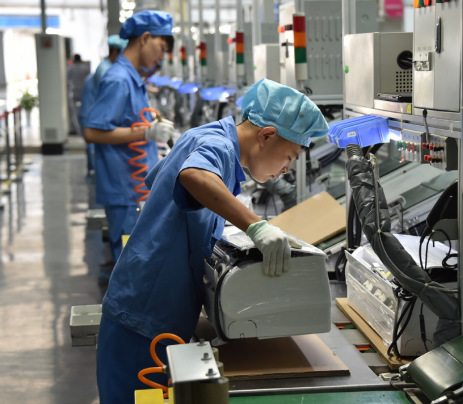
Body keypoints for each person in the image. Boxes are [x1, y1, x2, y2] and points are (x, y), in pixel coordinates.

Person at [95, 78, 329, 402]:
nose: (285, 170)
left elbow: (162, 179)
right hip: (142, 323)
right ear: (267, 135)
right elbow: (192, 176)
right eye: (289, 157)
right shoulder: (217, 145)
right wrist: (255, 226)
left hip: (157, 317)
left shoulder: (212, 144)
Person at [84, 11, 176, 267]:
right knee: (130, 267)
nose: (162, 55)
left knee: (136, 263)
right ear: (145, 38)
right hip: (125, 191)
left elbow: (127, 121)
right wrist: (146, 133)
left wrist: (152, 126)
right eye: (161, 46)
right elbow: (92, 132)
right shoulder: (118, 80)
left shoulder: (132, 78)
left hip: (132, 188)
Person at [78, 35, 128, 177]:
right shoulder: (107, 72)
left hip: (93, 113)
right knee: (95, 150)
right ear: (114, 52)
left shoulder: (108, 67)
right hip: (92, 116)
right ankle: (93, 172)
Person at [67, 54, 90, 135]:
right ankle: (84, 130)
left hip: (73, 93)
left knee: (74, 114)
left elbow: (67, 81)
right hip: (84, 92)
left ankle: (78, 131)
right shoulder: (85, 68)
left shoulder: (70, 68)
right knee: (84, 111)